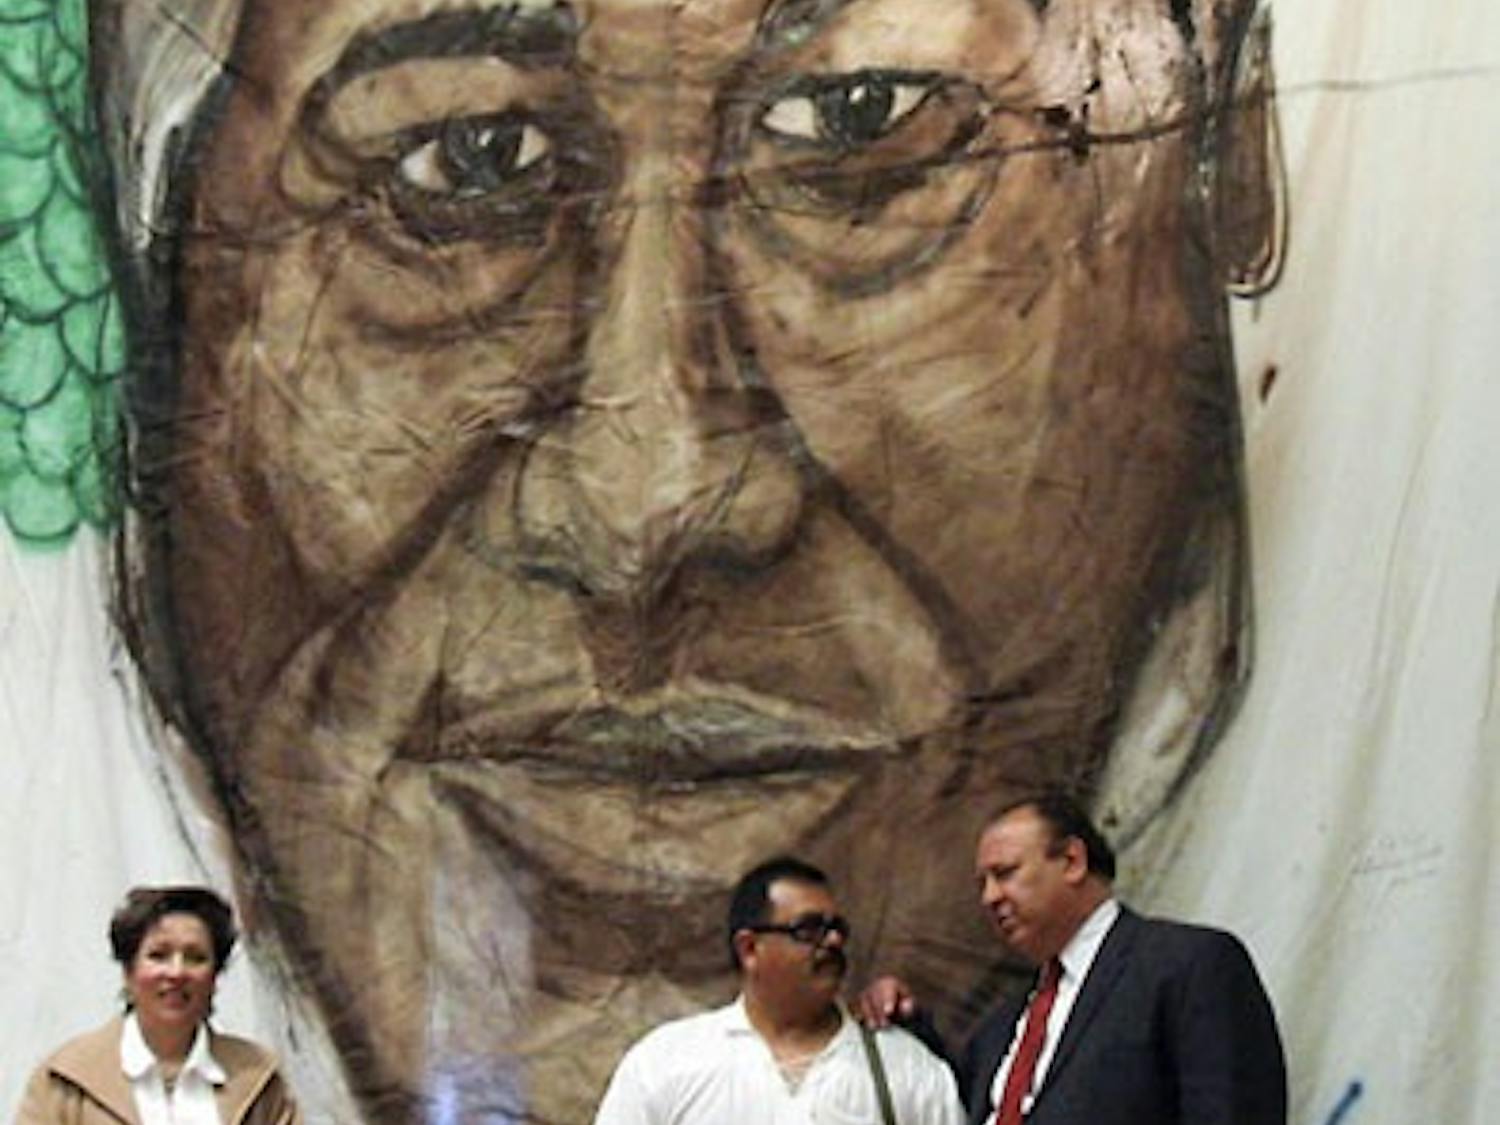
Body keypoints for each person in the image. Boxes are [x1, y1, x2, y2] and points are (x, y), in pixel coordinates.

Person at [86, 0, 1280, 1116]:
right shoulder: (675, 1071)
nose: (645, 507)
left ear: (1221, 159)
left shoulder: (1012, 1043)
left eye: (857, 119)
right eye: (469, 156)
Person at [862, 794, 1286, 1124]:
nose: (989, 897)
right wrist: (907, 1025)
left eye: (1005, 873)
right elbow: (958, 1106)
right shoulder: (1003, 1026)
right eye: (982, 884)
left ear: (1072, 861)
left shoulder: (1187, 965)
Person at [594, 856, 963, 1125]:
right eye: (809, 929)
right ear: (749, 949)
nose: (833, 941)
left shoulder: (905, 1069)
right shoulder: (666, 1064)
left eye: (837, 929)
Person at [14, 885, 301, 1125]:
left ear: (215, 977)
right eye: (159, 955)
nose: (176, 972)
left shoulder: (258, 1078)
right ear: (128, 971)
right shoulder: (67, 1081)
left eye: (196, 958)